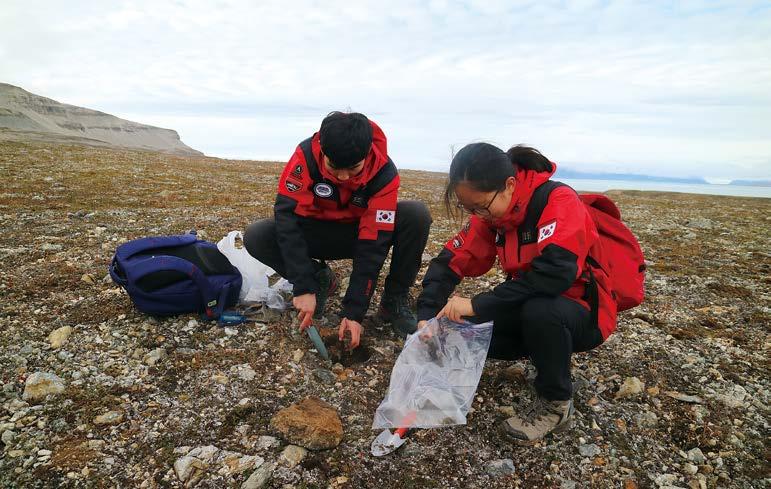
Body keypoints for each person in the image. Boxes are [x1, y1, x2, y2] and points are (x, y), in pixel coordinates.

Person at [416, 142, 617, 445]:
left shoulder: (558, 201)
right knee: (457, 329)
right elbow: (452, 261)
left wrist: (476, 303)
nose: (477, 215)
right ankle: (542, 352)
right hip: (528, 308)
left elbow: (555, 275)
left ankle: (556, 403)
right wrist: (427, 314)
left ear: (509, 185)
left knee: (541, 310)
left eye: (481, 206)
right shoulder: (492, 216)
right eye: (468, 208)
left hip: (580, 315)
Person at [244, 112, 432, 349]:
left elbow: (373, 246)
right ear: (322, 150)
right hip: (314, 233)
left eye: (353, 168)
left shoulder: (383, 172)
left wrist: (354, 312)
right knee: (257, 234)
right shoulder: (305, 157)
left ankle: (393, 300)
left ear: (366, 155)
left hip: (357, 235)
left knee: (415, 214)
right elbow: (287, 220)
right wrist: (303, 285)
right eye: (334, 167)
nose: (343, 177)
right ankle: (319, 278)